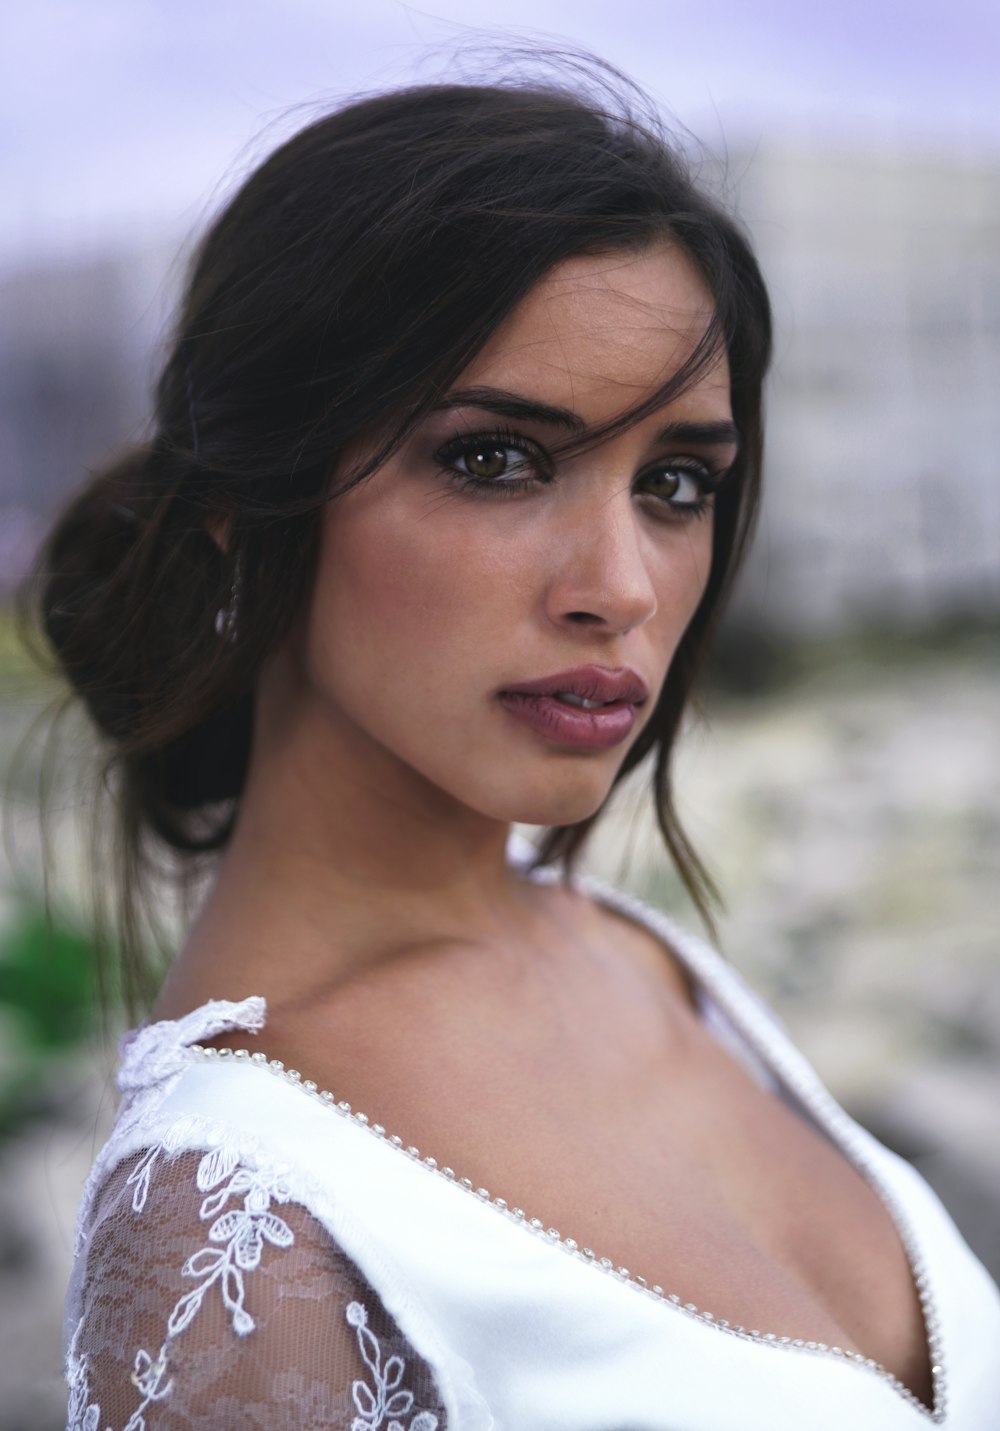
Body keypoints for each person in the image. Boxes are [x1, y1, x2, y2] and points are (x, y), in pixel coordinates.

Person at [37, 65, 998, 1431]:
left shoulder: (648, 959)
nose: (623, 585)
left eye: (677, 483)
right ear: (242, 521)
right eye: (496, 460)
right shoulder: (231, 1231)